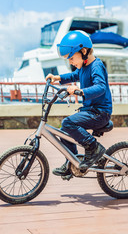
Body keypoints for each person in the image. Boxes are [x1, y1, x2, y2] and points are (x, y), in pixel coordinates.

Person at [45, 30, 112, 177]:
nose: (70, 62)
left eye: (71, 58)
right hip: (90, 110)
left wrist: (80, 91)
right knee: (65, 129)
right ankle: (72, 162)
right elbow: (75, 75)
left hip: (100, 112)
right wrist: (57, 78)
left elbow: (101, 87)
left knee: (68, 123)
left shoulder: (96, 66)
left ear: (83, 51)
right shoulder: (84, 67)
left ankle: (94, 148)